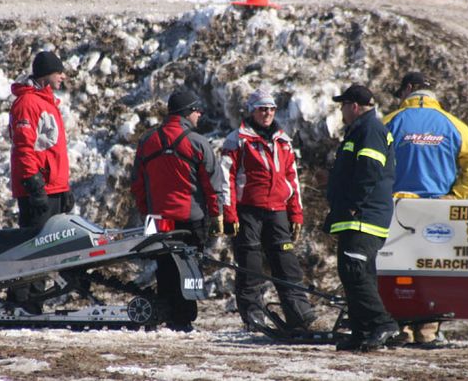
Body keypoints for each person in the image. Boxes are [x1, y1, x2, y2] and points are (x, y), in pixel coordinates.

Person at [384, 71, 468, 345]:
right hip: (438, 208)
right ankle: (429, 330)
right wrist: (456, 195)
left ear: (407, 89)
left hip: (398, 208)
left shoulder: (391, 122)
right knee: (432, 266)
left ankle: (402, 329)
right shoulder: (453, 124)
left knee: (398, 269)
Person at [220, 88, 316, 331]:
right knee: (250, 266)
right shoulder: (237, 139)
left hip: (278, 211)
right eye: (262, 109)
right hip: (248, 211)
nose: (267, 113)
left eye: (271, 109)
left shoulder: (283, 141)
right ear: (252, 111)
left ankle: (299, 314)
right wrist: (228, 213)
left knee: (286, 263)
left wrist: (296, 213)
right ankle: (253, 316)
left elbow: (292, 179)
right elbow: (225, 179)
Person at [131, 89, 224, 331]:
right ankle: (184, 318)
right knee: (190, 267)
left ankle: (167, 313)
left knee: (165, 267)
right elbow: (212, 184)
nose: (199, 115)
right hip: (190, 218)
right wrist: (216, 214)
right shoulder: (198, 142)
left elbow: (138, 184)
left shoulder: (147, 141)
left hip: (158, 219)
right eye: (196, 110)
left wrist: (145, 211)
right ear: (187, 112)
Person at [325, 84, 399, 352]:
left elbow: (369, 170)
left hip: (363, 216)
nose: (342, 111)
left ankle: (382, 324)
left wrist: (354, 205)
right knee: (356, 273)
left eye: (343, 105)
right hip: (356, 216)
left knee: (355, 271)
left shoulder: (370, 130)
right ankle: (361, 331)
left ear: (353, 106)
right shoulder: (362, 129)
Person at [9, 51, 75, 230]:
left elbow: (52, 150)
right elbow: (23, 148)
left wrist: (64, 188)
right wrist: (34, 186)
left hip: (53, 190)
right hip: (38, 192)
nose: (63, 76)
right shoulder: (28, 103)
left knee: (57, 253)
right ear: (47, 73)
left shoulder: (48, 103)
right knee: (37, 250)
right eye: (58, 72)